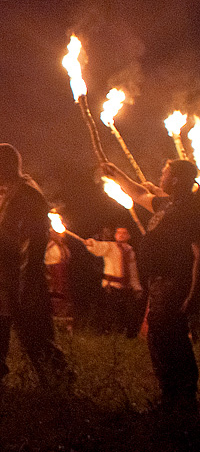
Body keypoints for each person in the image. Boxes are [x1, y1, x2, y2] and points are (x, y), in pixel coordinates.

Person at [102, 159, 199, 412]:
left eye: (165, 173)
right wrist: (117, 172)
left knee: (170, 337)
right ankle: (171, 395)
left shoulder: (192, 208)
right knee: (159, 336)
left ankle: (184, 397)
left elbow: (199, 253)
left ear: (176, 179)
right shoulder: (167, 204)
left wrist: (193, 292)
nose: (161, 176)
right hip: (158, 282)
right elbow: (138, 193)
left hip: (175, 281)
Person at [0, 143, 68, 387]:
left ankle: (60, 383)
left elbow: (33, 242)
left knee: (34, 336)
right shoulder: (10, 190)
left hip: (17, 276)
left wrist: (26, 283)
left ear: (4, 166)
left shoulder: (27, 194)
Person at [85, 226, 143, 337]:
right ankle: (105, 334)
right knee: (110, 312)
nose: (121, 234)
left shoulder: (130, 251)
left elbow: (133, 271)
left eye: (124, 233)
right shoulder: (110, 246)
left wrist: (137, 287)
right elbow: (97, 247)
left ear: (128, 236)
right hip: (111, 286)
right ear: (115, 235)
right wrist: (90, 243)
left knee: (126, 312)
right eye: (118, 232)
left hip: (126, 287)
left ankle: (125, 335)